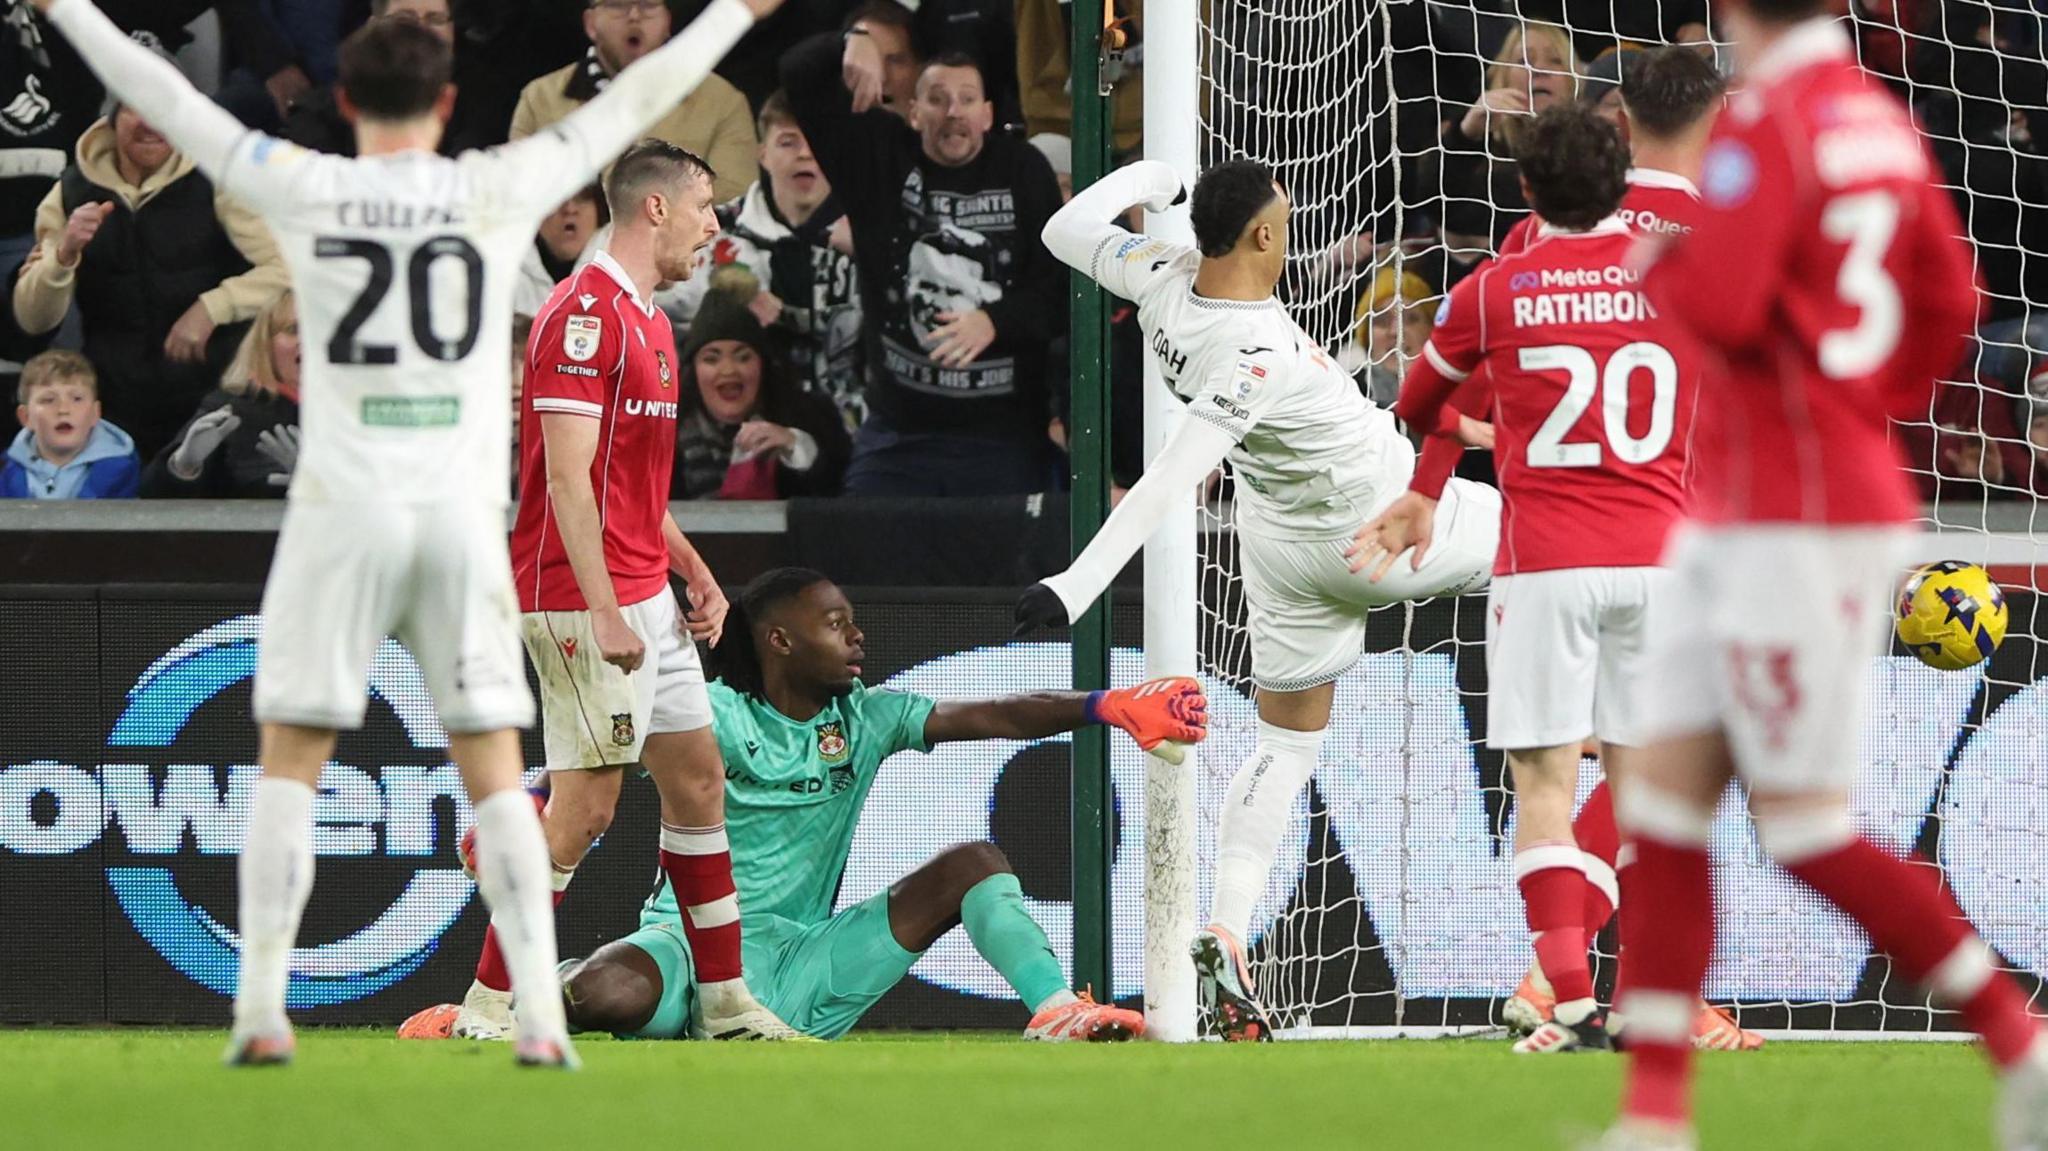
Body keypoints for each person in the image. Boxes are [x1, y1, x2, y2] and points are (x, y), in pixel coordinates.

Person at [29, 0, 785, 1068]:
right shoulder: (495, 184)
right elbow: (639, 97)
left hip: (341, 510)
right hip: (454, 513)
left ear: (341, 101)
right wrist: (730, 15)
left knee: (291, 758)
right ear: (444, 101)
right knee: (494, 768)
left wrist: (66, 8)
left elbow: (167, 98)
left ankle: (258, 1005)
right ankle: (532, 1017)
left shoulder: (308, 183)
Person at [1591, 2, 2046, 1148]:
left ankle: (2021, 1046)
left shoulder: (1767, 123)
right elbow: (1953, 300)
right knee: (1660, 796)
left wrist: (1655, 261)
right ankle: (1653, 1116)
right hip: (1759, 504)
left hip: (1790, 522)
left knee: (1800, 828)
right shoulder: (1876, 122)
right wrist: (1862, 400)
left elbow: (1727, 302)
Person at [1012, 157, 1502, 1041]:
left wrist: (1154, 175)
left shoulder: (1160, 278)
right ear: (1267, 235)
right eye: (1285, 219)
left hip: (1280, 546)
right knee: (1553, 532)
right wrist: (1076, 584)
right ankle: (1584, 718)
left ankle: (1228, 929)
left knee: (1287, 740)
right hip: (1381, 523)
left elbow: (1062, 231)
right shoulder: (1256, 351)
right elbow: (1167, 483)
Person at [408, 569, 1207, 1042]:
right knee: (611, 995)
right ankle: (508, 1002)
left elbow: (998, 712)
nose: (856, 636)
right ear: (780, 640)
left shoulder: (866, 718)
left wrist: (1107, 705)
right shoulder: (713, 714)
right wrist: (537, 798)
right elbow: (607, 746)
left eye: (854, 622)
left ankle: (1057, 1010)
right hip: (685, 948)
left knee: (977, 863)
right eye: (835, 623)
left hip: (805, 959)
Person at [1355, 105, 1698, 1056]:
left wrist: (1483, 437)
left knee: (1544, 785)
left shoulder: (1496, 288)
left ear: (1523, 190)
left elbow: (1418, 401)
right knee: (1645, 790)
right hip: (1662, 557)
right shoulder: (1682, 281)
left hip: (1547, 560)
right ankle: (1647, 995)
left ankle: (1575, 1002)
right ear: (1623, 179)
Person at [456, 139, 799, 1044]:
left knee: (698, 780)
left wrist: (691, 564)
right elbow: (567, 483)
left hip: (645, 587)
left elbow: (626, 489)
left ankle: (726, 1006)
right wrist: (606, 606)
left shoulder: (650, 318)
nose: (714, 225)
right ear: (655, 209)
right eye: (705, 207)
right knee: (588, 808)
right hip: (578, 595)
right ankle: (487, 1004)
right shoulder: (579, 316)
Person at [1464, 46, 1763, 1053]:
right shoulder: (1720, 240)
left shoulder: (1552, 223)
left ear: (1619, 124)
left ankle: (1557, 975)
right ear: (1719, 123)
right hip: (1683, 542)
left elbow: (1486, 378)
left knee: (1575, 767)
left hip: (1560, 536)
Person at [783, 38, 1067, 497]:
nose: (953, 112)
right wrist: (854, 43)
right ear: (914, 112)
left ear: (988, 115)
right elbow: (798, 70)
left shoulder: (1024, 170)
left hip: (1004, 437)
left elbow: (1061, 292)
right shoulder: (879, 157)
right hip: (899, 435)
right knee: (862, 550)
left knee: (1009, 558)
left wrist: (994, 321)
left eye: (967, 99)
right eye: (937, 99)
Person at [12, 86, 289, 461]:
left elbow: (286, 268)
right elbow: (33, 318)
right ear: (112, 121)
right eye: (135, 109)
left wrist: (211, 308)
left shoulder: (221, 181)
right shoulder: (69, 192)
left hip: (213, 388)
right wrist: (64, 254)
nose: (150, 123)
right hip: (114, 398)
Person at [671, 92, 864, 427]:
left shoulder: (871, 234)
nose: (805, 153)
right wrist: (723, 306)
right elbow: (658, 313)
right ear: (763, 154)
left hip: (855, 432)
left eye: (816, 142)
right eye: (788, 142)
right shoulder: (710, 232)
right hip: (744, 436)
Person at [509, 0, 757, 203]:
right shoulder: (540, 98)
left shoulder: (722, 101)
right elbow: (516, 193)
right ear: (591, 23)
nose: (635, 16)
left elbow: (734, 198)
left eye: (648, 5)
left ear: (667, 21)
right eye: (618, 5)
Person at [674, 283, 851, 500]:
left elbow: (840, 494)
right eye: (712, 358)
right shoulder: (662, 434)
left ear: (762, 365)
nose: (728, 370)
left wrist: (798, 449)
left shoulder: (810, 416)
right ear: (693, 371)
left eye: (743, 357)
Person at [141, 290, 301, 498]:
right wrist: (184, 465)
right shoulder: (231, 408)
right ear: (265, 343)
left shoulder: (354, 410)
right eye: (294, 329)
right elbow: (153, 499)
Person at [2, 347, 137, 498]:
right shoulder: (5, 472)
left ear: (95, 413)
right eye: (48, 400)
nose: (63, 409)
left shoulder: (122, 471)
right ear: (25, 417)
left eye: (77, 399)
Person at [513, 185, 607, 320]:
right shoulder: (503, 271)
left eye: (583, 197)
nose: (570, 209)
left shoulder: (624, 273)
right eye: (556, 196)